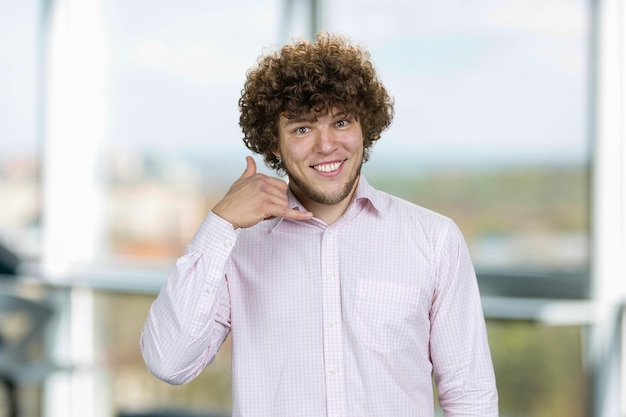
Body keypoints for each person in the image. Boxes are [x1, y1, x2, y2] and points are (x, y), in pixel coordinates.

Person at [140, 32, 498, 417]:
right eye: (302, 128)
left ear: (366, 128)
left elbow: (470, 397)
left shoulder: (434, 240)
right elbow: (169, 362)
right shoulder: (236, 247)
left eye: (341, 121)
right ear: (274, 144)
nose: (326, 146)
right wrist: (219, 223)